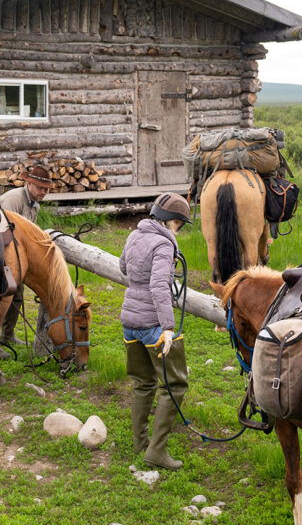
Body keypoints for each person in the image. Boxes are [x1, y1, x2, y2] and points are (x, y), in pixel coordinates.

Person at [119, 192, 192, 470]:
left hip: (129, 320)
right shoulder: (163, 244)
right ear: (172, 221)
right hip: (153, 325)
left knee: (143, 382)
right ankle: (157, 451)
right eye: (180, 225)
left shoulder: (134, 235)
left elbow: (123, 267)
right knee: (174, 385)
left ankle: (140, 442)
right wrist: (168, 328)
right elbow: (159, 287)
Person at [0, 165, 53, 357]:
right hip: (0, 253)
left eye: (46, 189)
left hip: (18, 257)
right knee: (0, 298)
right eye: (40, 188)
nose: (43, 192)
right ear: (29, 183)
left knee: (17, 296)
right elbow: (4, 231)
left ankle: (7, 334)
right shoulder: (13, 200)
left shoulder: (34, 204)